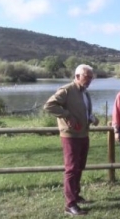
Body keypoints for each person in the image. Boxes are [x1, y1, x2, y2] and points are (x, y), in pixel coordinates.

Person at [43, 64, 99, 216]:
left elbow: (84, 111)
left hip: (83, 134)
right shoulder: (67, 90)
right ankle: (70, 204)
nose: (89, 80)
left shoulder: (85, 93)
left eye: (91, 77)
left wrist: (92, 118)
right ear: (77, 76)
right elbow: (49, 106)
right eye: (86, 77)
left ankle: (75, 195)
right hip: (70, 136)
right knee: (71, 168)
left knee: (80, 166)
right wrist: (67, 115)